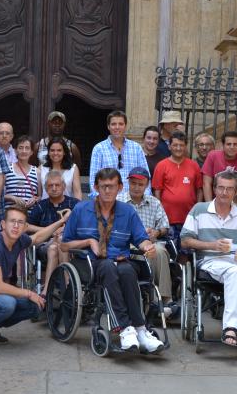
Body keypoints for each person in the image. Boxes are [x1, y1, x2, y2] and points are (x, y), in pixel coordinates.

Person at [61, 168, 164, 353]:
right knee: (108, 267)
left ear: (120, 188)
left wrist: (148, 247)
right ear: (95, 187)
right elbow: (64, 245)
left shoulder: (127, 211)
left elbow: (141, 238)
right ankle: (125, 328)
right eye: (104, 187)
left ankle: (140, 330)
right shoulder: (81, 209)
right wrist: (89, 241)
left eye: (112, 187)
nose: (107, 191)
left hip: (119, 260)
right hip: (88, 262)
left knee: (126, 270)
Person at [0, 205, 67, 352]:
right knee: (8, 304)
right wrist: (29, 293)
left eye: (20, 222)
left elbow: (37, 237)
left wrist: (61, 222)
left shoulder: (18, 240)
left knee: (34, 307)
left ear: (25, 227)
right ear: (3, 224)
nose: (16, 226)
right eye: (12, 221)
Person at [180, 171, 237, 347]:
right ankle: (231, 327)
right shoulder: (199, 210)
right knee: (234, 272)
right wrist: (211, 245)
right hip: (210, 261)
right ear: (214, 188)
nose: (225, 193)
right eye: (221, 188)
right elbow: (185, 240)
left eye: (229, 189)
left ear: (235, 192)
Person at [118, 167, 175, 318]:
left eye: (140, 184)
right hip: (128, 244)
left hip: (151, 242)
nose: (136, 187)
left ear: (147, 185)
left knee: (160, 250)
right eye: (133, 183)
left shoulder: (154, 202)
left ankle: (164, 299)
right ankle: (153, 299)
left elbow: (165, 226)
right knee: (148, 251)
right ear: (128, 183)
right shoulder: (119, 202)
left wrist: (156, 232)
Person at [26, 170, 78, 292]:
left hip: (70, 245)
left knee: (56, 245)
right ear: (45, 188)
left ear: (64, 186)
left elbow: (82, 225)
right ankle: (67, 287)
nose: (54, 188)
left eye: (57, 185)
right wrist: (49, 230)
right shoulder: (40, 206)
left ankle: (46, 291)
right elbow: (27, 226)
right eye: (50, 185)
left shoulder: (75, 204)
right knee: (56, 243)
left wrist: (64, 230)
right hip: (44, 244)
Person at [152, 130, 203, 248]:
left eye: (181, 145)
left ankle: (185, 267)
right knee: (170, 251)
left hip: (188, 217)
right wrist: (160, 214)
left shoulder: (193, 165)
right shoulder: (161, 165)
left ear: (185, 147)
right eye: (175, 145)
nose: (178, 148)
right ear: (169, 146)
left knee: (186, 251)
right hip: (168, 218)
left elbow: (199, 189)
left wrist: (198, 207)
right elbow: (157, 191)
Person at [88, 110, 149, 195]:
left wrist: (144, 198)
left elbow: (146, 175)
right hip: (108, 201)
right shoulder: (99, 149)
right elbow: (93, 180)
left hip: (132, 201)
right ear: (108, 126)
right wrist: (101, 201)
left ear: (125, 126)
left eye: (121, 124)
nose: (117, 127)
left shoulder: (136, 148)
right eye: (113, 124)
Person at [201, 130, 237, 202]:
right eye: (229, 144)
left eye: (235, 144)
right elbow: (206, 183)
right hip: (217, 202)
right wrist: (209, 205)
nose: (232, 147)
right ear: (222, 145)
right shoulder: (213, 156)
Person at [2, 135, 40, 210]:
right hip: (10, 214)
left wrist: (34, 200)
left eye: (27, 148)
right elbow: (0, 194)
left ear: (32, 152)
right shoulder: (7, 169)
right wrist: (13, 198)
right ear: (15, 150)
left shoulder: (37, 172)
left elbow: (40, 196)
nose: (24, 151)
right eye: (20, 148)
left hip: (29, 216)